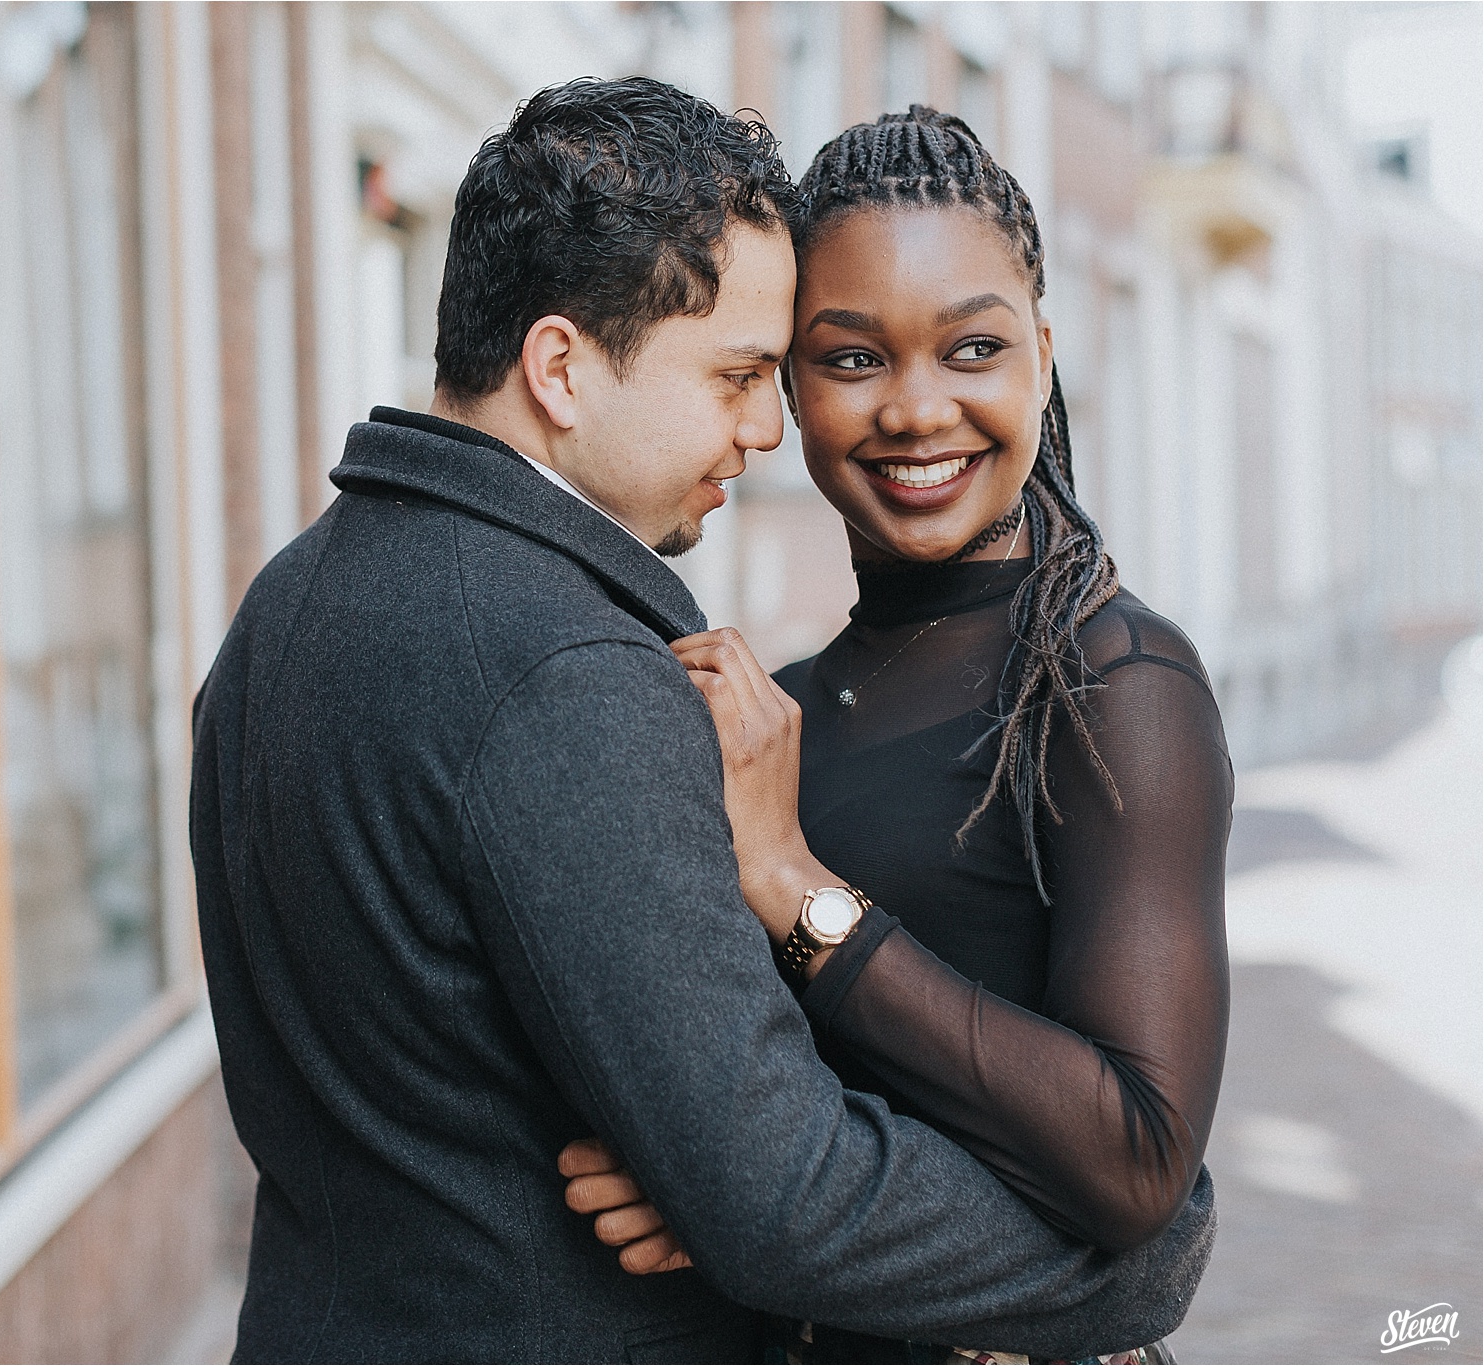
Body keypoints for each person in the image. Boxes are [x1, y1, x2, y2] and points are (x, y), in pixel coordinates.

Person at [191, 79, 1213, 1364]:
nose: (764, 426)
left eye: (970, 346)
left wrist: (715, 1176)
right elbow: (778, 1191)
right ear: (558, 365)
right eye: (753, 371)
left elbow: (726, 1144)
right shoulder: (574, 672)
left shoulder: (277, 612)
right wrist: (1124, 1272)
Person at [559, 108, 1231, 1365]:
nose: (917, 412)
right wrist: (721, 1187)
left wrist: (797, 889)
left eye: (970, 348)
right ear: (785, 389)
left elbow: (1134, 1161)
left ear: (1038, 352)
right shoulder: (782, 710)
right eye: (852, 360)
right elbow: (768, 1104)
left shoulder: (1111, 682)